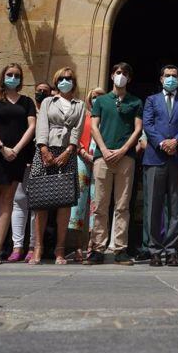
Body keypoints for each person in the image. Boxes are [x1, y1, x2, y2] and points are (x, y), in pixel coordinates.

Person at [85, 62, 143, 266]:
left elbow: (137, 129)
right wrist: (105, 149)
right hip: (103, 157)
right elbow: (94, 126)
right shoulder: (101, 100)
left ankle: (120, 248)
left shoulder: (135, 101)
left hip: (125, 158)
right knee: (100, 204)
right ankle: (97, 248)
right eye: (118, 72)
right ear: (111, 76)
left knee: (122, 205)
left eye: (125, 73)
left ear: (129, 78)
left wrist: (123, 150)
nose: (121, 76)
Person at [0, 63, 36, 265]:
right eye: (10, 74)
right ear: (3, 76)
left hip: (16, 156)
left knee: (7, 202)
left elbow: (32, 127)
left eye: (17, 75)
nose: (13, 78)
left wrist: (17, 149)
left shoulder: (27, 101)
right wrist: (2, 148)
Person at [30, 67, 86, 265]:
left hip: (67, 153)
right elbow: (42, 124)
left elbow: (77, 129)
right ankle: (38, 247)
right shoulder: (47, 101)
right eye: (61, 78)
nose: (65, 81)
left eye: (69, 78)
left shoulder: (80, 104)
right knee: (41, 201)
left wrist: (69, 150)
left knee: (64, 202)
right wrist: (44, 148)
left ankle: (60, 249)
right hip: (45, 150)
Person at [141, 64, 178, 266]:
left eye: (174, 75)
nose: (171, 78)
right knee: (154, 206)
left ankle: (172, 249)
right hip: (155, 157)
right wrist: (163, 143)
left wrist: (176, 141)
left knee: (175, 207)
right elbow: (148, 124)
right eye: (167, 75)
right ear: (161, 79)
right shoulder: (151, 100)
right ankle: (154, 249)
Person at [7, 80, 54, 263]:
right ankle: (17, 246)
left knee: (38, 205)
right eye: (38, 90)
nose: (40, 93)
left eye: (44, 91)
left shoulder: (51, 111)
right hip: (23, 160)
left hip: (43, 161)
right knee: (19, 202)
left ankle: (34, 246)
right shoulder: (26, 108)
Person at [68, 87, 102, 261]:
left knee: (96, 203)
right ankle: (76, 246)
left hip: (100, 161)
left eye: (100, 96)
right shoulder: (84, 115)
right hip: (82, 159)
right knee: (78, 204)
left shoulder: (108, 117)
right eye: (94, 96)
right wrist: (83, 153)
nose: (97, 99)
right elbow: (75, 135)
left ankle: (92, 245)